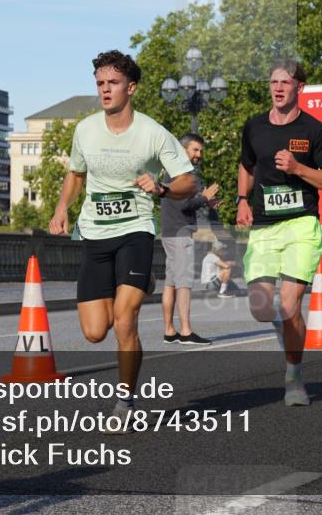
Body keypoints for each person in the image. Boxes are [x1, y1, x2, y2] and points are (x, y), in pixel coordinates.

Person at [49, 50, 198, 428]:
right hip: (96, 233)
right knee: (96, 331)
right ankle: (134, 282)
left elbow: (188, 180)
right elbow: (76, 173)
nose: (105, 89)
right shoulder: (85, 129)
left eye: (112, 83)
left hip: (135, 230)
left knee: (125, 318)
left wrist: (162, 187)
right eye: (100, 83)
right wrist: (61, 208)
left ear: (131, 88)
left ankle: (126, 399)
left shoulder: (152, 133)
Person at [237, 59, 322, 407]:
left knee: (288, 302)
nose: (278, 88)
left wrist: (298, 168)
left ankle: (294, 374)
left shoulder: (314, 130)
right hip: (265, 225)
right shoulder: (254, 126)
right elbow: (246, 164)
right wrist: (242, 199)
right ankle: (288, 332)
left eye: (285, 82)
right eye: (273, 82)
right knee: (261, 307)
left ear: (300, 87)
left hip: (301, 223)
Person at [160, 133, 220, 346]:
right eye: (195, 150)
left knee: (170, 283)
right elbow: (185, 206)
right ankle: (186, 331)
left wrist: (204, 202)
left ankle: (169, 331)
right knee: (183, 283)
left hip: (168, 231)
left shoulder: (170, 171)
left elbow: (182, 202)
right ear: (183, 149)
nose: (198, 155)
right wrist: (205, 197)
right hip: (180, 234)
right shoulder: (183, 174)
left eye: (200, 151)